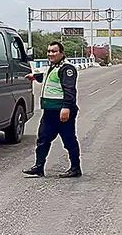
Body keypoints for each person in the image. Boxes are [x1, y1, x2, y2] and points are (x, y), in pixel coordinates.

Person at [23, 41, 81, 178]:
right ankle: (39, 167)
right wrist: (35, 77)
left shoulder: (67, 69)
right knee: (43, 139)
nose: (50, 54)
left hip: (61, 111)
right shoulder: (53, 67)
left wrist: (66, 107)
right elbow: (48, 78)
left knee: (69, 140)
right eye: (49, 51)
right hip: (49, 112)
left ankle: (75, 168)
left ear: (62, 53)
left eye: (54, 51)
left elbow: (69, 90)